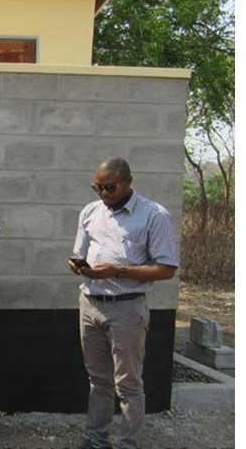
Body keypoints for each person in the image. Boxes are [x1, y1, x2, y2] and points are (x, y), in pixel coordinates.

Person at [69, 157, 178, 449]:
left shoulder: (154, 215)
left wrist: (117, 271)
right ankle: (95, 440)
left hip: (127, 307)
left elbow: (166, 269)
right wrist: (79, 265)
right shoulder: (91, 212)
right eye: (98, 187)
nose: (103, 193)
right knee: (98, 379)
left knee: (128, 384)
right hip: (90, 303)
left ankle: (128, 444)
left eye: (110, 187)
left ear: (128, 181)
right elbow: (79, 251)